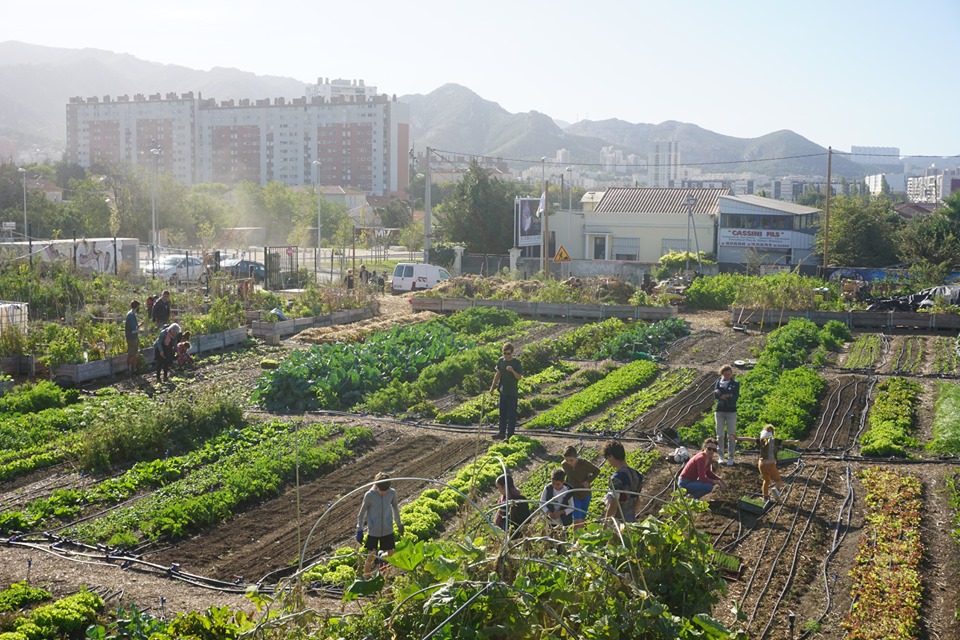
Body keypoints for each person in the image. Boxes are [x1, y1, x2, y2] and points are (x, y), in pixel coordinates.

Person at [735, 425, 799, 504]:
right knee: (778, 481)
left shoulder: (761, 441)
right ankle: (776, 490)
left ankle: (765, 498)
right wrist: (795, 441)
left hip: (761, 464)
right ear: (772, 433)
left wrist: (737, 438)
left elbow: (749, 439)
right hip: (770, 463)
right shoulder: (775, 440)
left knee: (766, 480)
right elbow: (786, 442)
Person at [356, 472, 404, 578]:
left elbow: (395, 509)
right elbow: (361, 514)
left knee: (391, 555)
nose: (383, 493)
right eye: (381, 491)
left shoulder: (392, 493)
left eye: (385, 491)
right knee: (370, 557)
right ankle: (367, 578)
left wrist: (399, 524)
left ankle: (383, 575)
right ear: (376, 486)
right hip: (374, 531)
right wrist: (359, 529)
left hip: (388, 529)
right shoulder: (369, 495)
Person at [602, 441, 643, 524]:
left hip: (618, 523)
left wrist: (606, 525)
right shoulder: (637, 475)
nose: (608, 462)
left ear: (611, 456)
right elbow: (637, 500)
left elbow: (613, 504)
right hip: (631, 520)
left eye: (607, 458)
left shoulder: (616, 478)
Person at [489, 342, 523, 440]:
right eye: (505, 353)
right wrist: (492, 387)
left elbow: (519, 377)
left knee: (511, 415)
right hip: (503, 391)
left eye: (508, 353)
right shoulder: (501, 361)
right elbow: (497, 374)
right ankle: (501, 432)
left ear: (512, 353)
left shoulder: (516, 363)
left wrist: (512, 371)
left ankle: (510, 435)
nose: (506, 356)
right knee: (502, 414)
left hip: (512, 393)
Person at [561, 445, 600, 529]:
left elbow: (597, 471)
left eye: (571, 460)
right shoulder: (564, 465)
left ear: (576, 457)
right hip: (574, 494)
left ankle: (580, 539)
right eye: (567, 460)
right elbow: (566, 476)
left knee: (582, 519)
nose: (569, 462)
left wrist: (588, 481)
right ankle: (575, 540)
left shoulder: (584, 464)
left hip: (585, 494)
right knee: (577, 519)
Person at [714, 364, 740, 466]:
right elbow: (716, 394)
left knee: (731, 435)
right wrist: (725, 395)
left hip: (731, 412)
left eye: (729, 374)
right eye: (725, 374)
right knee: (719, 435)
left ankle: (730, 457)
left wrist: (724, 395)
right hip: (719, 411)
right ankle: (721, 456)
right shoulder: (718, 382)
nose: (728, 376)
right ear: (722, 374)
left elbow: (735, 396)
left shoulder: (735, 383)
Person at [124, 300, 140, 375]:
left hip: (132, 337)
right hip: (132, 338)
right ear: (136, 307)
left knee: (133, 353)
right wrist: (137, 329)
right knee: (132, 353)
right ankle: (130, 368)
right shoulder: (131, 315)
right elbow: (133, 329)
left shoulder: (131, 314)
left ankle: (133, 368)